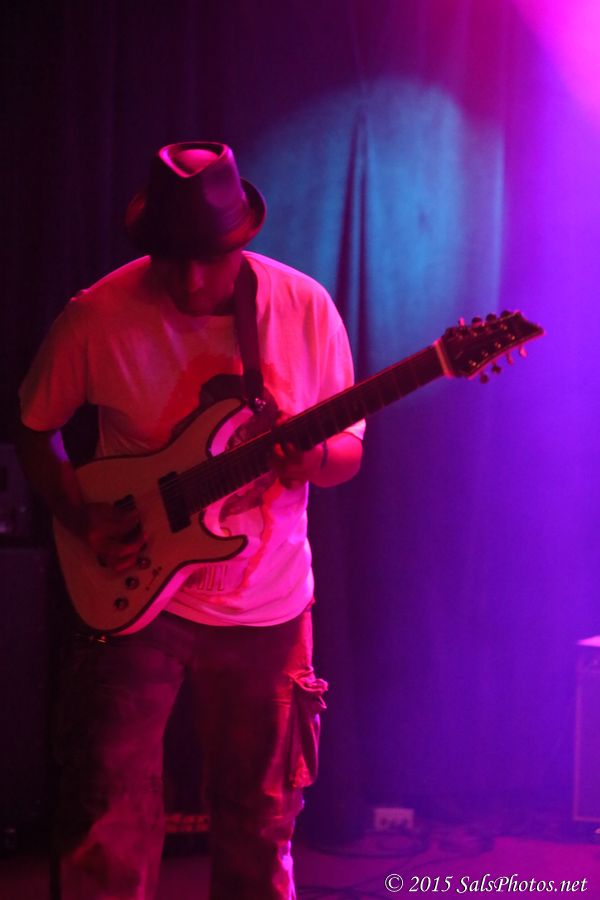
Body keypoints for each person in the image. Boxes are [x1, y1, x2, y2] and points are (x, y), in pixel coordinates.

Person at [16, 141, 364, 900]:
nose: (192, 280)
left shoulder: (303, 308)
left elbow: (348, 453)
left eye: (210, 258)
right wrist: (78, 514)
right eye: (172, 259)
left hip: (270, 605)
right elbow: (32, 425)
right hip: (134, 602)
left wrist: (311, 458)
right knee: (104, 821)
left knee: (261, 824)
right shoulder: (97, 314)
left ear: (242, 240)